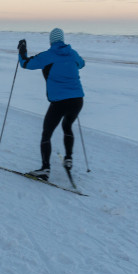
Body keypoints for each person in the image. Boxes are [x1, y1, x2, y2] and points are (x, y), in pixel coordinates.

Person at [17, 28, 85, 181]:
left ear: (51, 41)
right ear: (63, 39)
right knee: (67, 126)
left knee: (46, 133)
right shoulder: (72, 53)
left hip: (59, 102)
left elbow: (25, 64)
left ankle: (45, 169)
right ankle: (68, 158)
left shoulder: (47, 56)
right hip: (77, 100)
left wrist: (22, 50)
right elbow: (82, 64)